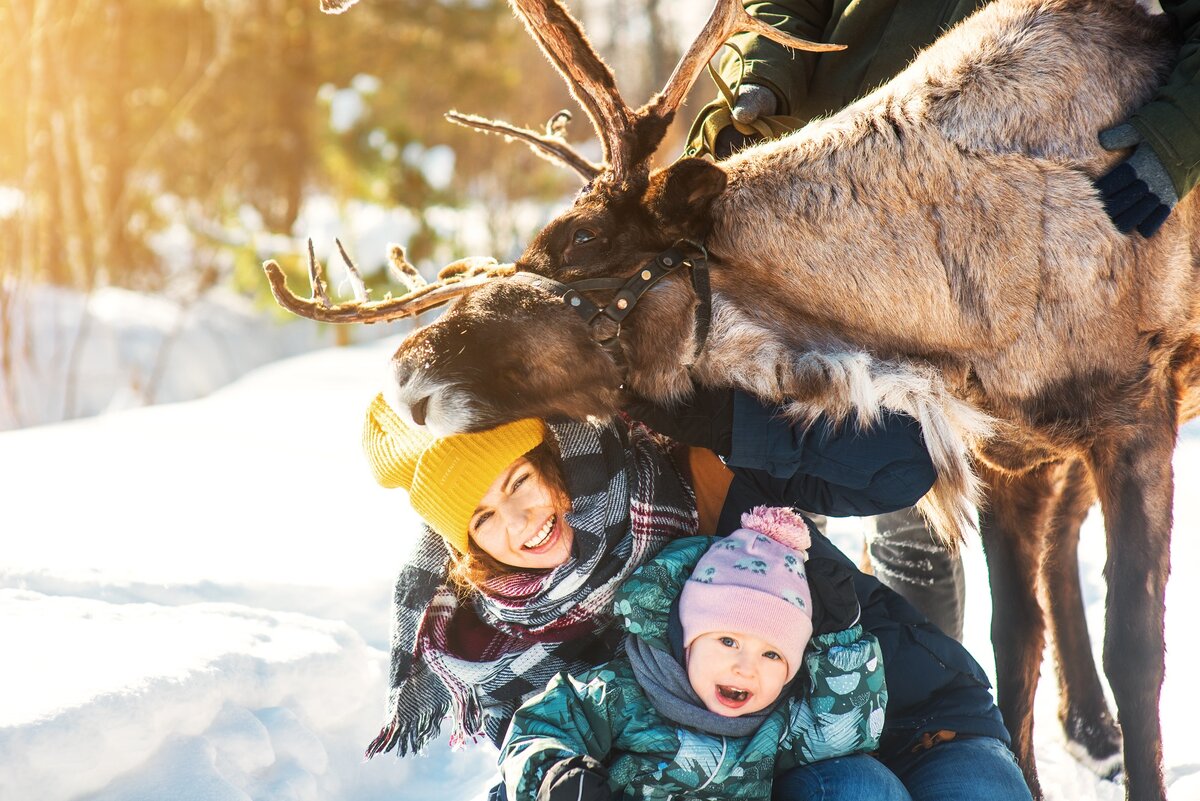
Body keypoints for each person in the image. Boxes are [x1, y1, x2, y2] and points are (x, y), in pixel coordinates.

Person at [672, 0, 1200, 641]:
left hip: (981, 246)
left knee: (909, 506)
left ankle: (913, 715)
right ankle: (764, 700)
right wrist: (766, 74)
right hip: (807, 219)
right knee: (769, 491)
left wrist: (1179, 131)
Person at [360, 390, 1031, 800]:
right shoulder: (492, 644)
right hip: (766, 776)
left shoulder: (672, 468)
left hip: (919, 717)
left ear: (548, 456)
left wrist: (717, 415)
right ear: (467, 546)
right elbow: (538, 750)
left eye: (518, 482)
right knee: (861, 790)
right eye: (483, 519)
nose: (519, 522)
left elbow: (903, 461)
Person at [499, 506, 887, 801]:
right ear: (688, 638)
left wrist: (841, 644)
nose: (745, 668)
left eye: (772, 655)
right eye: (728, 641)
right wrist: (556, 774)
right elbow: (540, 727)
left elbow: (841, 737)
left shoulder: (777, 720)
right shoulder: (625, 691)